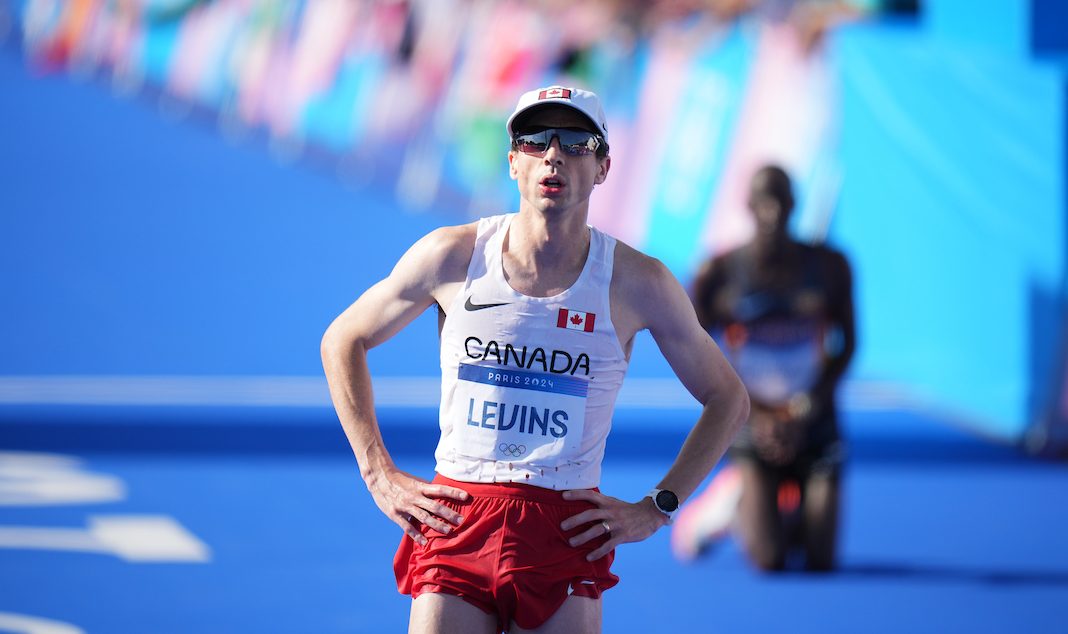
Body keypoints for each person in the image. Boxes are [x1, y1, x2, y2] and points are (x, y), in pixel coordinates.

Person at [321, 85, 750, 633]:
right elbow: (342, 340)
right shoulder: (452, 256)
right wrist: (377, 472)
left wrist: (659, 506)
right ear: (513, 163)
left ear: (603, 167)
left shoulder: (638, 282)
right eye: (534, 141)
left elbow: (728, 398)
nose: (553, 155)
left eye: (575, 142)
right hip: (458, 512)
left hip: (566, 526)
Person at [673, 164, 855, 572]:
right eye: (763, 202)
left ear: (794, 205)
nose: (772, 212)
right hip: (752, 425)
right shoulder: (716, 274)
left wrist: (806, 407)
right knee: (770, 560)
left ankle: (787, 508)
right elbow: (694, 355)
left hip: (815, 422)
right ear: (749, 206)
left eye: (781, 201)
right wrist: (753, 413)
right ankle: (734, 499)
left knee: (821, 561)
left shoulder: (830, 267)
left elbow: (848, 345)